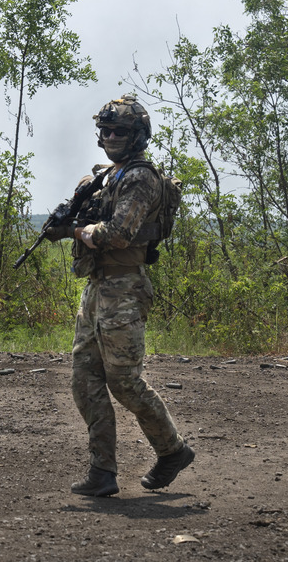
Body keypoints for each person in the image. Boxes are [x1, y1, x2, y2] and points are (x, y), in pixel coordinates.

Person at [46, 93, 194, 497]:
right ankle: (102, 471)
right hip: (98, 288)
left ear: (137, 135)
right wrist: (70, 220)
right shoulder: (106, 175)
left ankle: (173, 450)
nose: (111, 136)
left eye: (120, 131)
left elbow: (119, 233)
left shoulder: (140, 177)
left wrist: (73, 232)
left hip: (125, 288)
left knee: (124, 382)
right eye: (106, 129)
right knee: (84, 378)